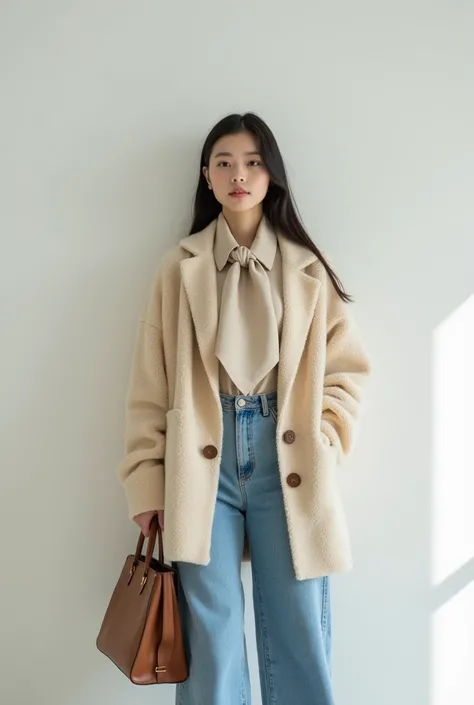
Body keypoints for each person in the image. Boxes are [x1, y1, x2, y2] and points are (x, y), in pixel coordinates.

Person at [117, 112, 371, 705]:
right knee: (211, 634)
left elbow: (347, 370)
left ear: (272, 175)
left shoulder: (308, 267)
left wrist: (326, 440)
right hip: (200, 459)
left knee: (300, 626)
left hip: (290, 449)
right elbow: (149, 384)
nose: (239, 174)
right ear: (207, 177)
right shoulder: (178, 268)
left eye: (254, 162)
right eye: (225, 162)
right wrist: (146, 481)